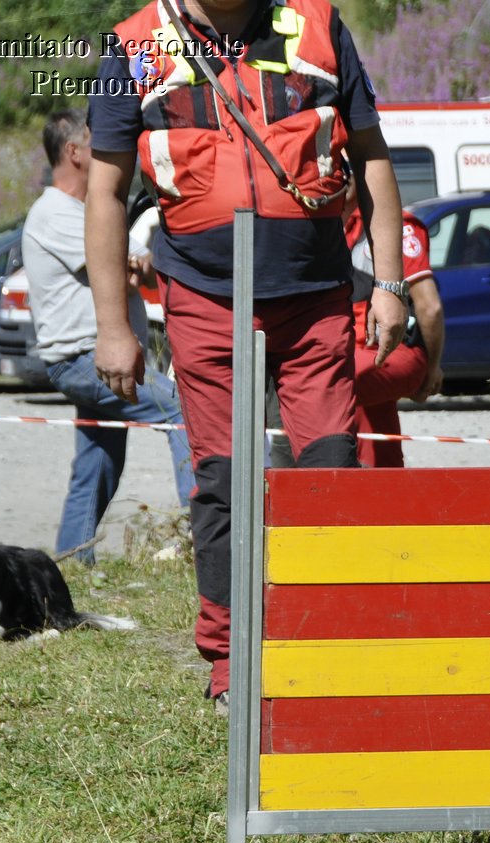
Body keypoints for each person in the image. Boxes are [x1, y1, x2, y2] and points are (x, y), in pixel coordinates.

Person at [85, 0, 407, 708]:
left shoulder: (318, 25)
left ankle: (327, 645)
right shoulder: (134, 46)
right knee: (225, 483)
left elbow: (373, 156)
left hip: (318, 292)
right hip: (203, 297)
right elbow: (105, 192)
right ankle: (232, 659)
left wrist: (390, 283)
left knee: (330, 471)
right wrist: (116, 323)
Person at [22, 110, 195, 565]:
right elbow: (121, 263)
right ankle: (202, 534)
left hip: (91, 359)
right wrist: (127, 263)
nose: (108, 151)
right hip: (82, 358)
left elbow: (140, 260)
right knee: (181, 410)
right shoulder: (53, 212)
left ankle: (73, 561)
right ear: (75, 153)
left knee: (97, 463)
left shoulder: (88, 212)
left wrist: (131, 263)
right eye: (96, 144)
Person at [346, 191, 445, 467]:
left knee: (336, 382)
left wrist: (432, 369)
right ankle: (386, 491)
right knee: (377, 427)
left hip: (397, 347)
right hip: (357, 350)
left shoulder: (398, 226)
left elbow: (430, 307)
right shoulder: (335, 223)